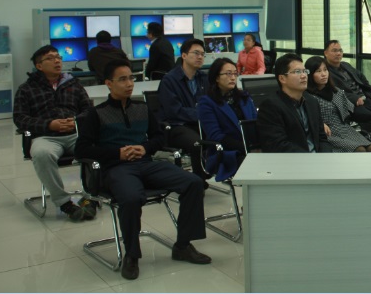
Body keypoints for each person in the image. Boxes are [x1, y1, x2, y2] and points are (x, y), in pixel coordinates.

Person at [75, 60, 210, 281]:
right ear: (109, 83)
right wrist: (117, 153)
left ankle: (183, 245)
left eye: (131, 78)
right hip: (116, 168)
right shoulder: (96, 113)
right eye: (122, 79)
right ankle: (132, 255)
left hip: (146, 164)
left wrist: (145, 147)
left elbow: (159, 138)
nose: (129, 83)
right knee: (130, 197)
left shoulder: (142, 108)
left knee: (193, 182)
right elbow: (81, 149)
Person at [13, 45, 97, 221]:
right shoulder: (26, 89)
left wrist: (76, 121)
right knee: (42, 154)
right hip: (46, 137)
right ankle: (64, 202)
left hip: (75, 134)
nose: (57, 61)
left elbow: (89, 110)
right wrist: (49, 125)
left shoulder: (73, 84)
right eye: (50, 58)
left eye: (58, 57)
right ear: (39, 66)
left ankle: (91, 196)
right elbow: (20, 118)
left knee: (99, 147)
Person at [323, 40, 371, 147]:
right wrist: (354, 99)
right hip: (351, 105)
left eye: (340, 50)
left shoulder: (346, 65)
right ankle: (368, 145)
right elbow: (334, 91)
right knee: (370, 122)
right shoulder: (325, 71)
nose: (338, 53)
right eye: (334, 51)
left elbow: (361, 78)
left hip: (366, 99)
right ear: (326, 53)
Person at [257, 53, 333, 153]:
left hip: (318, 159)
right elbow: (277, 145)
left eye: (305, 71)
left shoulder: (312, 101)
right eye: (297, 72)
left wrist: (325, 157)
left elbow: (322, 138)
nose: (304, 76)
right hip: (292, 160)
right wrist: (310, 159)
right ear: (282, 78)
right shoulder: (271, 106)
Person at [197, 58, 258, 180]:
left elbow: (256, 124)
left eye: (235, 73)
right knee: (256, 166)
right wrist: (246, 148)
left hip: (252, 148)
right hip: (227, 153)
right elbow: (216, 136)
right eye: (228, 74)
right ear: (216, 78)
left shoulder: (244, 97)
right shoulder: (207, 103)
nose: (233, 77)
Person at [305, 56, 371, 152]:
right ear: (310, 74)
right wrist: (320, 124)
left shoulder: (336, 91)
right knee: (359, 150)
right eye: (318, 71)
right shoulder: (308, 96)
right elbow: (306, 118)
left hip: (344, 129)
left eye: (325, 70)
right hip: (327, 133)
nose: (323, 74)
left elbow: (352, 110)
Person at [158, 39, 208, 182]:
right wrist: (201, 114)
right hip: (176, 126)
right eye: (196, 53)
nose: (200, 57)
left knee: (223, 133)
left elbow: (210, 104)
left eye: (202, 54)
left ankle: (216, 171)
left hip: (198, 124)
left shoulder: (204, 78)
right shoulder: (169, 80)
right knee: (196, 142)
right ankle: (199, 181)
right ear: (184, 55)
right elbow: (174, 111)